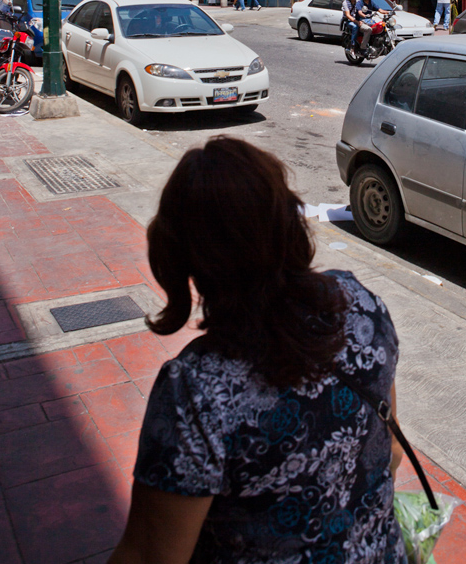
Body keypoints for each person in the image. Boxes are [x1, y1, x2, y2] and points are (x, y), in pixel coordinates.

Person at [108, 137, 404, 564]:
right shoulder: (362, 307)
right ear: (290, 223)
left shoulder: (196, 390)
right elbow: (390, 452)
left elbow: (150, 554)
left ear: (186, 259)